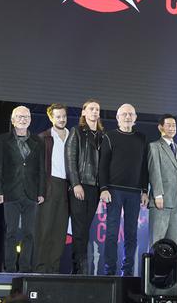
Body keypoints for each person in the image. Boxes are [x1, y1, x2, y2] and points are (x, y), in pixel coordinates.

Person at [99, 103, 149, 276]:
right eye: (124, 114)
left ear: (135, 118)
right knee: (112, 234)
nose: (128, 117)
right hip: (113, 191)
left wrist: (144, 190)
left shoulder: (142, 138)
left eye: (131, 114)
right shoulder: (110, 136)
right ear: (117, 117)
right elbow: (103, 166)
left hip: (135, 192)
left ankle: (127, 272)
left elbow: (144, 167)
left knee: (131, 234)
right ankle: (109, 272)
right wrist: (103, 188)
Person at [0, 106, 45, 272]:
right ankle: (9, 268)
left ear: (30, 120)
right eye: (20, 117)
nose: (23, 119)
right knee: (11, 232)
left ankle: (24, 267)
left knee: (29, 233)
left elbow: (41, 169)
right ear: (13, 120)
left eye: (26, 117)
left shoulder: (38, 141)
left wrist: (41, 192)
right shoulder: (2, 140)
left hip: (31, 192)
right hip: (10, 192)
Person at [65, 99, 104, 274]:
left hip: (95, 188)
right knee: (79, 228)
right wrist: (75, 184)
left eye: (97, 109)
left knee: (86, 228)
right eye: (91, 109)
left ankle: (82, 268)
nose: (95, 112)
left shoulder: (103, 135)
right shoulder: (77, 131)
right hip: (80, 186)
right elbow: (70, 160)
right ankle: (79, 269)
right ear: (84, 112)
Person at [35, 103, 70, 273]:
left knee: (60, 231)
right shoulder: (43, 138)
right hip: (50, 185)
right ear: (51, 117)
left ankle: (54, 269)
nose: (62, 119)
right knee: (45, 229)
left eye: (63, 116)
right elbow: (38, 167)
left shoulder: (73, 137)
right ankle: (41, 269)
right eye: (58, 116)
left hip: (68, 187)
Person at [148, 114, 177, 252]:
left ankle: (172, 274)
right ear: (161, 127)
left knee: (174, 243)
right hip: (162, 200)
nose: (172, 128)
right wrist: (158, 194)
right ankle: (153, 272)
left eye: (174, 125)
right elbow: (155, 171)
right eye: (169, 125)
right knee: (158, 240)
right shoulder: (154, 146)